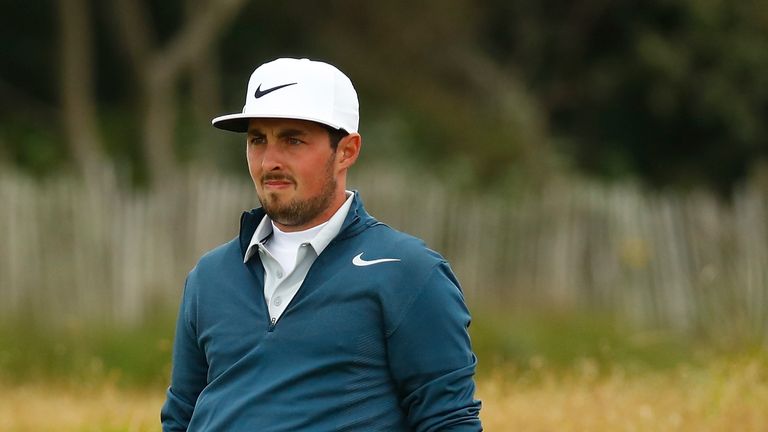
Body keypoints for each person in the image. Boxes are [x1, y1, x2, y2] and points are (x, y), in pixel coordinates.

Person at [161, 57, 482, 431]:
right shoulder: (209, 276)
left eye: (293, 140)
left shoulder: (408, 272)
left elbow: (449, 421)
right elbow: (180, 416)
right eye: (257, 140)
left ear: (346, 150)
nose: (270, 161)